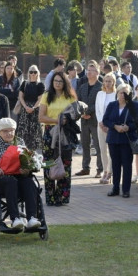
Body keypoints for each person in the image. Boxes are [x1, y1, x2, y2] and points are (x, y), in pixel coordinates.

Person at [39, 73, 79, 206]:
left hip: (65, 134)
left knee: (65, 164)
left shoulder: (70, 97)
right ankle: (50, 197)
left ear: (65, 83)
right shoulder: (46, 96)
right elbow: (41, 117)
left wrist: (67, 120)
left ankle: (62, 197)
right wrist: (57, 120)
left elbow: (76, 114)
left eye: (60, 81)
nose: (57, 83)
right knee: (49, 164)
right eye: (55, 81)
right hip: (50, 134)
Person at [102, 83, 138, 197]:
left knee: (127, 164)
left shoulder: (134, 105)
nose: (123, 95)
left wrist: (128, 127)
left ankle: (126, 190)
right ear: (117, 93)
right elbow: (105, 120)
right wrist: (115, 126)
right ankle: (115, 188)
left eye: (126, 93)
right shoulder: (112, 105)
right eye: (121, 92)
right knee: (115, 164)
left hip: (127, 139)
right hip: (113, 138)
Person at [76, 62, 104, 177]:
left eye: (91, 70)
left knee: (98, 145)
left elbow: (99, 103)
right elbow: (78, 101)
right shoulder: (82, 86)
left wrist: (87, 111)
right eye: (88, 70)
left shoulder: (101, 87)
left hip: (96, 120)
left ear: (97, 73)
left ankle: (100, 169)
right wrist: (82, 114)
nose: (88, 72)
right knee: (85, 144)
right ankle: (85, 168)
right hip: (84, 120)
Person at [95, 72, 119, 184]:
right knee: (102, 149)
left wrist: (109, 125)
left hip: (112, 127)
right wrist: (101, 122)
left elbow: (116, 112)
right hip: (101, 125)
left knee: (112, 150)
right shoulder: (100, 94)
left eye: (110, 81)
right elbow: (98, 109)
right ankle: (104, 171)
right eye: (106, 81)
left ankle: (110, 172)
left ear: (114, 82)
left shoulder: (116, 95)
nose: (107, 83)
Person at [15, 65, 45, 153]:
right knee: (23, 131)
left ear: (38, 73)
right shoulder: (24, 84)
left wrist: (34, 108)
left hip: (35, 111)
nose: (33, 73)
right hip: (25, 110)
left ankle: (34, 153)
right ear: (28, 73)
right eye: (31, 72)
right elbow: (21, 96)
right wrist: (25, 107)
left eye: (35, 72)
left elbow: (40, 98)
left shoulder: (40, 85)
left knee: (34, 133)